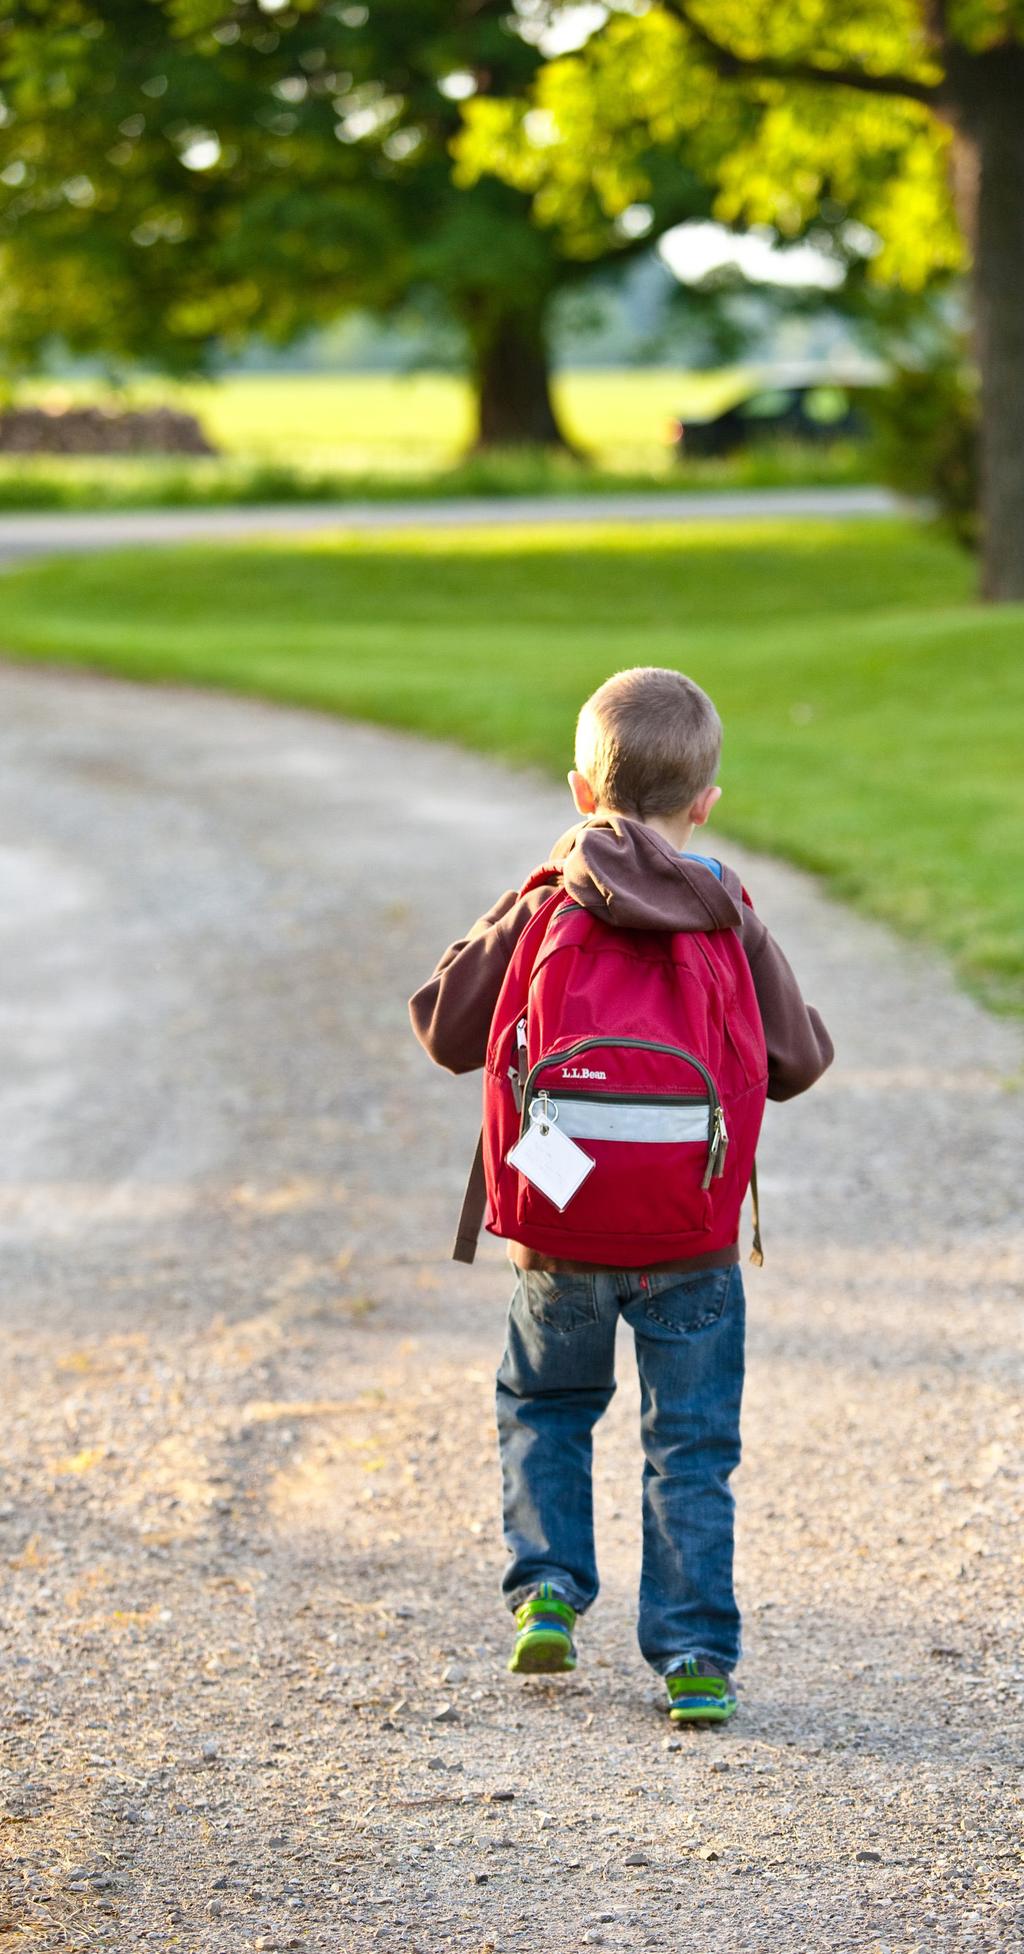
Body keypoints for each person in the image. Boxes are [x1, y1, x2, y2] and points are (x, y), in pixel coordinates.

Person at [409, 666, 833, 1724]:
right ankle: (693, 1656)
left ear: (578, 792)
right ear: (705, 803)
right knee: (688, 1446)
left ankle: (547, 1589)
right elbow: (799, 1059)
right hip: (691, 1238)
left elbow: (443, 1027)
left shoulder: (550, 897)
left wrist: (529, 890)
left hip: (559, 1231)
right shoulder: (723, 904)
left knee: (546, 1405)